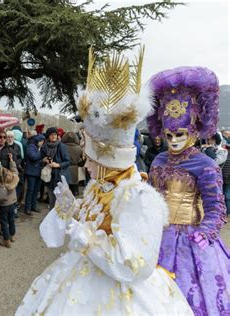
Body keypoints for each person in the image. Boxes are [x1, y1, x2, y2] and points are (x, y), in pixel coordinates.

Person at [16, 48, 192, 315]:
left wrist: (87, 241)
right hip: (79, 275)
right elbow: (57, 236)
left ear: (109, 160)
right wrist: (70, 209)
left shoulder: (139, 198)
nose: (86, 164)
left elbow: (136, 265)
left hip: (121, 295)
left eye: (91, 159)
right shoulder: (98, 185)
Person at [147, 66, 230, 314]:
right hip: (155, 239)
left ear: (194, 131)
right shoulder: (158, 160)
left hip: (190, 244)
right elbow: (151, 198)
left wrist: (205, 232)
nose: (173, 140)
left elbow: (217, 209)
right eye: (169, 134)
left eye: (180, 134)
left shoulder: (206, 165)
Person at [40, 127, 72, 210]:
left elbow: (68, 162)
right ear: (48, 136)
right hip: (49, 178)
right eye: (51, 135)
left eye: (55, 134)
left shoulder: (61, 146)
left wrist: (57, 165)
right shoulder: (44, 147)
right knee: (52, 201)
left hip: (60, 177)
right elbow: (39, 161)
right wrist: (44, 160)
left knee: (61, 202)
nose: (53, 136)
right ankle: (52, 220)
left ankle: (61, 220)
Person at [0, 153, 19, 248]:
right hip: (12, 202)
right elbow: (15, 171)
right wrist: (11, 161)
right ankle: (12, 236)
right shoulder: (10, 175)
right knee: (11, 219)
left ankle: (6, 240)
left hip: (3, 204)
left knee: (4, 222)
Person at [24, 134, 45, 215]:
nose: (42, 143)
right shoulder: (31, 147)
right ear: (37, 141)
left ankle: (34, 206)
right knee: (30, 190)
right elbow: (34, 157)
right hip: (31, 172)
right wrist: (40, 152)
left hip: (38, 172)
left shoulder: (39, 148)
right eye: (41, 141)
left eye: (43, 141)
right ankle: (27, 208)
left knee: (36, 190)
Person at [61, 132, 83, 196]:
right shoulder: (79, 148)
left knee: (63, 193)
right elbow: (81, 163)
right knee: (72, 194)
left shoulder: (61, 147)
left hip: (63, 170)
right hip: (74, 172)